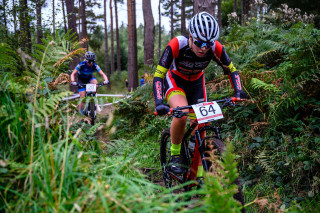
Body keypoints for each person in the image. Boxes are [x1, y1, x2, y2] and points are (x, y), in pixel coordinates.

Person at [153, 12, 247, 175]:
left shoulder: (215, 47)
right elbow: (159, 75)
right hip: (175, 80)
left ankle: (199, 173)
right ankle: (175, 154)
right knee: (181, 114)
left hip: (196, 82)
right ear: (190, 36)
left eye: (208, 44)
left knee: (201, 123)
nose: (204, 48)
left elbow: (232, 70)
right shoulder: (177, 44)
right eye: (199, 42)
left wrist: (239, 91)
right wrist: (159, 102)